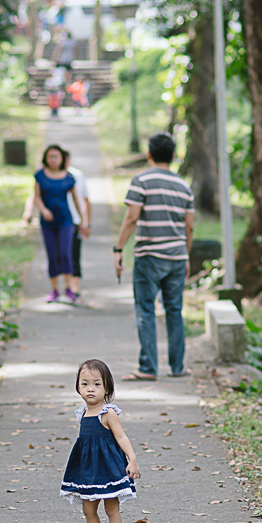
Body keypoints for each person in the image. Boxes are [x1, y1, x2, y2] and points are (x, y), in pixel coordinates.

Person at [112, 132, 194, 380]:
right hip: (177, 256)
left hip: (149, 256)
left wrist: (118, 249)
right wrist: (186, 255)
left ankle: (148, 368)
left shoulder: (141, 180)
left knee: (146, 310)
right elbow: (189, 226)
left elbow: (132, 217)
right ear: (173, 156)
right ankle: (178, 367)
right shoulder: (184, 186)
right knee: (174, 310)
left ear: (149, 155)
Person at [61, 358, 140, 523]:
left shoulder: (108, 413)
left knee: (111, 508)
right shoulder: (83, 412)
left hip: (107, 468)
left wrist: (132, 459)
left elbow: (121, 437)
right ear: (78, 387)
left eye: (97, 384)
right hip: (88, 469)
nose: (90, 389)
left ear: (107, 388)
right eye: (84, 384)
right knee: (88, 508)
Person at [22, 144, 82, 303]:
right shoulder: (40, 176)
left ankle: (68, 289)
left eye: (56, 156)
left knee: (65, 254)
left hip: (66, 221)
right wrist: (43, 210)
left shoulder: (68, 177)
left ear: (62, 158)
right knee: (52, 255)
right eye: (50, 157)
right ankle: (54, 290)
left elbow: (76, 199)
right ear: (46, 159)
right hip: (47, 222)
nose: (53, 160)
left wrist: (83, 220)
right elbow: (36, 196)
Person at [65, 161, 93, 302]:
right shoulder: (49, 176)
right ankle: (65, 287)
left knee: (75, 255)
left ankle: (74, 289)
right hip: (58, 222)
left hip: (75, 221)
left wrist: (87, 222)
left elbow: (85, 199)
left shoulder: (77, 175)